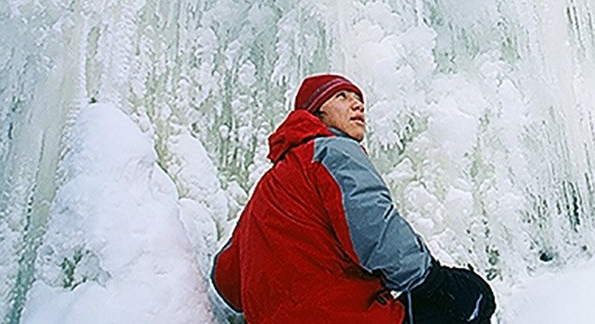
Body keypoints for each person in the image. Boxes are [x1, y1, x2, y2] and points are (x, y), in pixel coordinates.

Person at [212, 73, 496, 323]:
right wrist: (433, 280)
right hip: (344, 317)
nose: (357, 105)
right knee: (473, 297)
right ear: (316, 112)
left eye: (358, 98)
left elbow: (226, 279)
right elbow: (374, 227)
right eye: (341, 96)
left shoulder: (268, 185)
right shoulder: (331, 152)